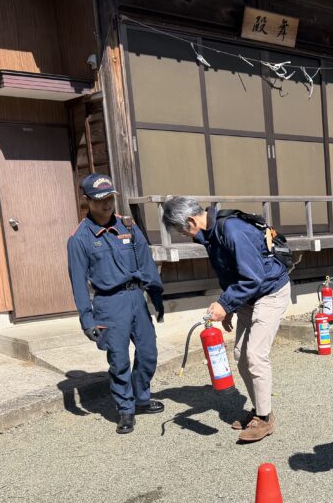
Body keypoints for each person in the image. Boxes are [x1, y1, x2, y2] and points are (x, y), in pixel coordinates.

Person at [161, 197, 291, 443]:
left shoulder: (231, 230)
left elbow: (253, 278)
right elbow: (230, 273)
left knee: (255, 355)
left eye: (180, 229)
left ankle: (265, 418)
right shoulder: (210, 235)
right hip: (249, 296)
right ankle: (259, 409)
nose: (182, 235)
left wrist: (225, 303)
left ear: (190, 220)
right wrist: (230, 307)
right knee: (241, 355)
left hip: (270, 292)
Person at [67, 173, 165, 435]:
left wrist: (157, 299)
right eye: (100, 200)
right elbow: (78, 283)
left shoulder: (128, 226)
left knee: (148, 353)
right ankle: (126, 409)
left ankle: (141, 397)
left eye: (110, 198)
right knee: (119, 360)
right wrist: (86, 319)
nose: (107, 204)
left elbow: (146, 263)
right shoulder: (80, 238)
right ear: (87, 200)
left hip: (136, 299)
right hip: (109, 305)